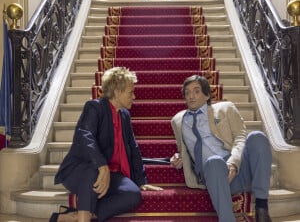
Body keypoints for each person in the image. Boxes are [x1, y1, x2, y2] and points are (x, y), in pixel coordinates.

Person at [51, 67, 162, 222]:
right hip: (79, 171)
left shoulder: (124, 115)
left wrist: (140, 181)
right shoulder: (94, 107)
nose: (134, 96)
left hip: (110, 174)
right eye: (130, 92)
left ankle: (70, 217)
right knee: (93, 171)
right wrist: (102, 165)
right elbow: (85, 134)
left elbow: (133, 147)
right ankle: (83, 219)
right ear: (117, 91)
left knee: (133, 194)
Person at [170, 75, 272, 222]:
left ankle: (262, 209)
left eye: (196, 91)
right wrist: (178, 157)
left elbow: (240, 137)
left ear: (206, 95)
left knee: (257, 136)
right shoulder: (178, 121)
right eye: (187, 92)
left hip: (237, 168)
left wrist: (233, 163)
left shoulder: (225, 108)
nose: (191, 96)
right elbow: (183, 150)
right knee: (214, 161)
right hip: (213, 174)